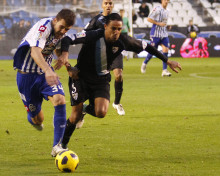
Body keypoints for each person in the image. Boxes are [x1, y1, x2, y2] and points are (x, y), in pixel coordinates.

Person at [55, 13, 181, 150]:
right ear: (105, 27)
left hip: (101, 80)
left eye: (119, 29)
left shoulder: (124, 40)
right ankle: (62, 146)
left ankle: (85, 109)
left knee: (101, 113)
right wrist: (66, 61)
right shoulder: (93, 35)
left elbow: (147, 47)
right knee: (75, 115)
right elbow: (67, 38)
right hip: (79, 77)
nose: (116, 32)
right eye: (113, 28)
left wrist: (168, 61)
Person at [13, 9, 76, 157]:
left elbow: (58, 46)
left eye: (67, 29)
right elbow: (35, 52)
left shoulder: (60, 33)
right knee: (38, 118)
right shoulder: (43, 27)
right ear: (55, 20)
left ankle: (57, 146)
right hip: (26, 76)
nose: (63, 31)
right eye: (62, 27)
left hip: (45, 75)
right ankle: (32, 117)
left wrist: (64, 58)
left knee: (60, 100)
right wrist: (49, 70)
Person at [83, 0, 125, 119]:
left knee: (119, 75)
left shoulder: (116, 19)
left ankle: (117, 103)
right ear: (102, 5)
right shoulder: (96, 20)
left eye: (110, 3)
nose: (108, 5)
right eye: (106, 3)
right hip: (100, 55)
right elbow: (85, 33)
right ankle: (86, 107)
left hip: (115, 51)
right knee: (97, 80)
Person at [141, 0, 172, 77]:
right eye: (165, 0)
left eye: (168, 0)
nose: (166, 1)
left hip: (164, 34)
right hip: (155, 34)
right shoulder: (157, 9)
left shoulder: (168, 11)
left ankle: (164, 70)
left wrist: (167, 26)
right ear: (162, 1)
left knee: (165, 50)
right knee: (153, 51)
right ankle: (145, 63)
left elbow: (164, 22)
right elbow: (148, 19)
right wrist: (158, 23)